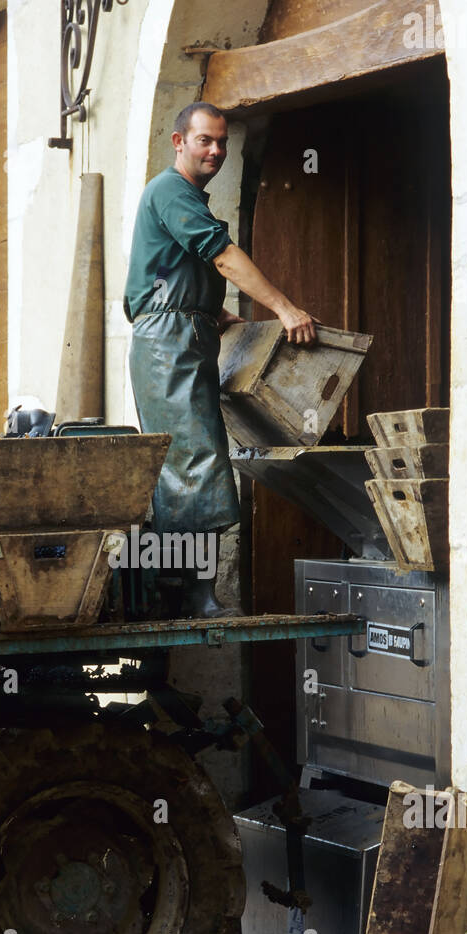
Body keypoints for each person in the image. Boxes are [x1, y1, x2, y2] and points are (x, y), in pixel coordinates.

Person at [124, 101, 317, 618]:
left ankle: (179, 592)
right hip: (168, 342)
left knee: (186, 463)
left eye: (222, 142)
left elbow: (180, 271)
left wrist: (216, 314)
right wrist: (284, 308)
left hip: (183, 332)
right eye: (205, 140)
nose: (216, 150)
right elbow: (222, 255)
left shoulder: (189, 197)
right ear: (178, 142)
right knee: (196, 462)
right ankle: (195, 596)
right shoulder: (170, 189)